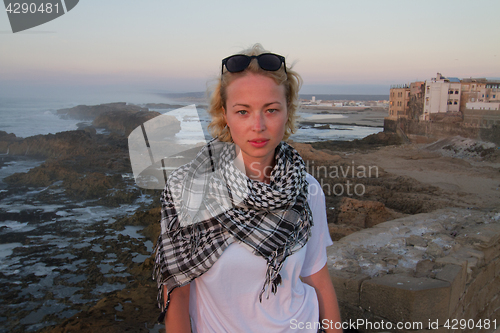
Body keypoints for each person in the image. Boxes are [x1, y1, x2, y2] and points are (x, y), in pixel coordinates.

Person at [153, 43, 342, 333]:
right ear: (224, 115)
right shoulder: (189, 190)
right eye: (243, 111)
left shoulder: (306, 188)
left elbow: (317, 277)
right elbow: (177, 294)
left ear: (287, 113)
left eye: (271, 110)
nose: (258, 125)